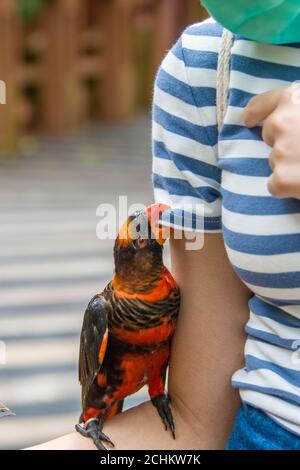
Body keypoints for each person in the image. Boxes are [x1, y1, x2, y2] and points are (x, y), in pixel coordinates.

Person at [32, 2, 300, 450]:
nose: (155, 221)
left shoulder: (165, 293)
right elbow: (196, 417)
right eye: (144, 231)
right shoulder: (206, 68)